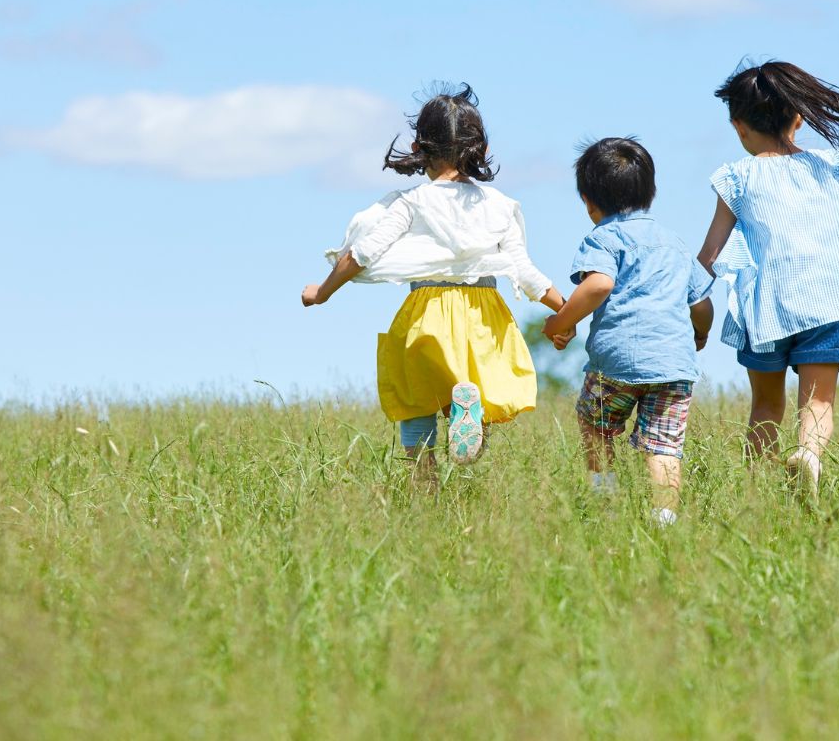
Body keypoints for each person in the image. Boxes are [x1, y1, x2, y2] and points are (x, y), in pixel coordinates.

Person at [302, 85, 565, 475]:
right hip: (484, 318)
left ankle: (423, 489)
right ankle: (468, 412)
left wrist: (322, 292)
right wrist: (566, 312)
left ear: (418, 147)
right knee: (475, 405)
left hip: (427, 314)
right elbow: (525, 272)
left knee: (416, 402)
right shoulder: (500, 206)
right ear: (480, 148)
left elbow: (361, 254)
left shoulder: (411, 202)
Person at [697, 60, 839, 500]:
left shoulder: (737, 177)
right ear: (798, 118)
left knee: (765, 405)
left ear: (739, 126)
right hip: (828, 300)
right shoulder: (829, 165)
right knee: (817, 401)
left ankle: (758, 493)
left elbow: (710, 255)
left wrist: (691, 307)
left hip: (765, 307)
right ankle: (809, 455)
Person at [543, 138, 713, 526]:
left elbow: (599, 284)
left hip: (615, 364)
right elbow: (701, 305)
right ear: (650, 192)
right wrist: (699, 334)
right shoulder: (674, 243)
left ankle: (604, 501)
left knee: (595, 426)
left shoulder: (603, 238)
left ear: (588, 201)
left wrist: (560, 322)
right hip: (673, 365)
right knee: (664, 446)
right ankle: (664, 519)